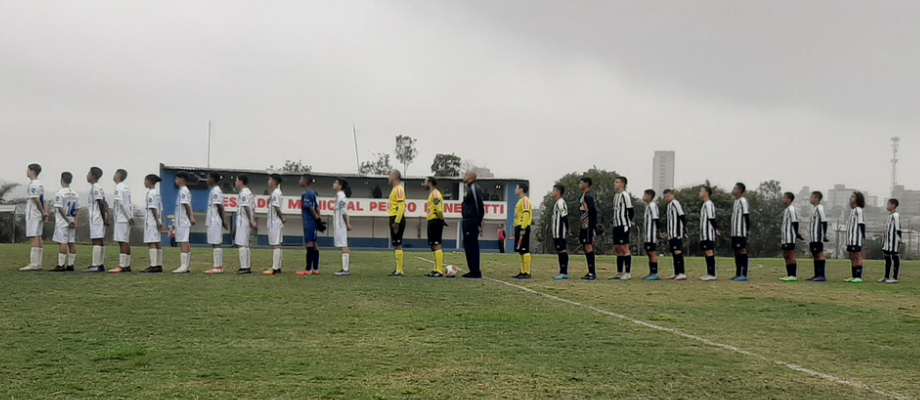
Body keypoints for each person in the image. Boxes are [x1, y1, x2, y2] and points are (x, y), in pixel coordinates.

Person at [50, 171, 79, 272]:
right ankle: (71, 265)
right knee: (71, 242)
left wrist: (67, 220)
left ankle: (61, 265)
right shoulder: (75, 194)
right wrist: (75, 221)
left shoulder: (60, 193)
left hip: (63, 222)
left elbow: (60, 208)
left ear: (62, 180)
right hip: (72, 220)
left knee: (63, 242)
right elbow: (79, 209)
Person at [20, 163, 47, 272]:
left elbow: (36, 200)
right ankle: (38, 262)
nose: (27, 172)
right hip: (39, 214)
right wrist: (45, 212)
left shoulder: (33, 185)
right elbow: (44, 200)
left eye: (28, 170)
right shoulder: (40, 185)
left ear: (32, 171)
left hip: (33, 214)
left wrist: (42, 211)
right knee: (38, 236)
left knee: (33, 236)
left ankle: (34, 263)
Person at [609, 177, 635, 280]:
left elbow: (630, 210)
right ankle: (619, 272)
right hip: (616, 224)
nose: (615, 184)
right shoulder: (616, 196)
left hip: (623, 225)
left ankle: (628, 273)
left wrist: (628, 222)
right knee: (618, 248)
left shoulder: (625, 195)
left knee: (625, 248)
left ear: (622, 184)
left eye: (617, 182)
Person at [461, 171, 486, 279]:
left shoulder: (475, 188)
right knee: (468, 245)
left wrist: (479, 219)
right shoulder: (469, 188)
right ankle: (472, 270)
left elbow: (479, 203)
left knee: (472, 245)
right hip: (467, 220)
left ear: (471, 177)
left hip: (472, 221)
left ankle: (475, 271)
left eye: (466, 175)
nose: (464, 176)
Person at [110, 169, 134, 274]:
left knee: (122, 241)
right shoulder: (126, 188)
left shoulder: (118, 188)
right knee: (125, 240)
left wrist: (128, 216)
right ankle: (127, 265)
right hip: (126, 217)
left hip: (122, 217)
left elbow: (121, 203)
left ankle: (122, 265)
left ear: (118, 176)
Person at [85, 167, 109, 273]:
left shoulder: (95, 187)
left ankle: (95, 264)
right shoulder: (99, 188)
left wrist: (104, 218)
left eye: (89, 174)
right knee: (100, 240)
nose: (87, 176)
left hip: (97, 217)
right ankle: (100, 264)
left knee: (96, 240)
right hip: (99, 217)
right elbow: (105, 203)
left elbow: (100, 203)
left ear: (93, 176)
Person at [297, 174, 321, 276]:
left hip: (309, 221)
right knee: (314, 243)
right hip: (313, 221)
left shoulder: (307, 194)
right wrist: (318, 219)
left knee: (310, 243)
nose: (299, 181)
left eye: (301, 179)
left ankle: (308, 269)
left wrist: (316, 219)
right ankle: (315, 268)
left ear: (305, 181)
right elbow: (317, 208)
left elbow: (311, 208)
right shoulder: (312, 193)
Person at [661, 189, 688, 281]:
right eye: (665, 197)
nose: (666, 198)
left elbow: (681, 216)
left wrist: (684, 230)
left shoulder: (675, 203)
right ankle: (676, 272)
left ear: (672, 195)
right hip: (671, 233)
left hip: (677, 233)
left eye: (667, 196)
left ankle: (682, 273)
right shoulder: (668, 206)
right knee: (673, 253)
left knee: (678, 252)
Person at [205, 172, 229, 274]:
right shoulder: (213, 191)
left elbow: (220, 207)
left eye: (208, 178)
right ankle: (217, 266)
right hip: (212, 220)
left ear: (213, 179)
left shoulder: (216, 191)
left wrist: (223, 221)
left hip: (215, 220)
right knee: (214, 242)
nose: (207, 180)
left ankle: (218, 266)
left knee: (216, 242)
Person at [423, 177, 447, 278]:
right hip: (432, 220)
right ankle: (436, 269)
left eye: (425, 181)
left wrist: (441, 219)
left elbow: (439, 208)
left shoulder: (436, 193)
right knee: (433, 245)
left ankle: (439, 271)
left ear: (430, 183)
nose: (424, 183)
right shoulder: (432, 193)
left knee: (437, 245)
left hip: (436, 220)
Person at [172, 171, 195, 274]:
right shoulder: (184, 191)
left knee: (183, 241)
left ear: (182, 179)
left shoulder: (183, 191)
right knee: (185, 241)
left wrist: (191, 217)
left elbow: (186, 205)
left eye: (177, 178)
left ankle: (184, 266)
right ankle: (187, 265)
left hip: (183, 220)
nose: (175, 181)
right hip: (182, 219)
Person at [141, 174, 164, 274]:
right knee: (157, 242)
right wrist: (161, 221)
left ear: (149, 182)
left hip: (151, 220)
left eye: (145, 181)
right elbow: (161, 209)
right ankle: (159, 264)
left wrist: (156, 221)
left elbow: (153, 208)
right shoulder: (157, 194)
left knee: (151, 242)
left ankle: (153, 265)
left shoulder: (150, 193)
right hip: (158, 219)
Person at [234, 174, 257, 275]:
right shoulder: (248, 192)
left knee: (241, 243)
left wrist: (251, 219)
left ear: (241, 181)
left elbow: (246, 207)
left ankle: (244, 267)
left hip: (243, 221)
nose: (236, 183)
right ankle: (247, 266)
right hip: (245, 221)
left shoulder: (244, 193)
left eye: (236, 180)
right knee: (245, 244)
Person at [264, 174, 286, 275]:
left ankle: (275, 268)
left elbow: (277, 208)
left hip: (275, 222)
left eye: (270, 180)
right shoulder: (275, 193)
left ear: (274, 181)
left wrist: (282, 219)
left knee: (275, 245)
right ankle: (278, 267)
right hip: (275, 222)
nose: (268, 181)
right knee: (277, 244)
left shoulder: (276, 193)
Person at [779, 192, 803, 282]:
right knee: (786, 254)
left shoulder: (792, 209)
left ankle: (793, 275)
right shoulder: (786, 209)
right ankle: (789, 274)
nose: (783, 199)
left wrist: (796, 233)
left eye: (784, 198)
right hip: (785, 237)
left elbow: (795, 222)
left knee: (790, 254)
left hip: (790, 236)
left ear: (789, 199)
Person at [387, 170, 408, 277]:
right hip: (393, 217)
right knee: (396, 244)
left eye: (390, 175)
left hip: (397, 218)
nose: (389, 177)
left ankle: (399, 271)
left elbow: (401, 206)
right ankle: (398, 269)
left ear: (395, 177)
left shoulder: (399, 189)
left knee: (398, 244)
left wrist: (396, 222)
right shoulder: (395, 189)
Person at [730, 183, 751, 281]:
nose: (733, 190)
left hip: (740, 231)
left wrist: (748, 229)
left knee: (742, 250)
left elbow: (746, 215)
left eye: (735, 188)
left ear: (740, 190)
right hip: (734, 232)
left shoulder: (743, 201)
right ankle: (738, 273)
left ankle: (744, 274)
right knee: (736, 251)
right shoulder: (736, 202)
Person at [806, 191, 829, 282]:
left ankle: (821, 275)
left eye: (812, 197)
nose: (810, 199)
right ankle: (816, 274)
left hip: (817, 236)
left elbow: (824, 221)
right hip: (812, 237)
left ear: (816, 198)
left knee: (819, 254)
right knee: (815, 255)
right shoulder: (814, 209)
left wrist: (824, 234)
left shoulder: (820, 208)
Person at [578, 177, 598, 281]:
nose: (579, 185)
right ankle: (590, 271)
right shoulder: (584, 196)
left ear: (586, 184)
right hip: (584, 225)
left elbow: (592, 210)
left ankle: (592, 272)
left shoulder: (588, 196)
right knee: (585, 247)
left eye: (581, 183)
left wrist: (592, 225)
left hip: (588, 225)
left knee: (589, 246)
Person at [844, 191, 867, 283]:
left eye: (853, 196)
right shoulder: (852, 211)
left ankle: (859, 276)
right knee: (852, 256)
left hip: (856, 238)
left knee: (858, 255)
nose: (851, 198)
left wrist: (863, 236)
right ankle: (853, 276)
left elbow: (861, 224)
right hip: (850, 238)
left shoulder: (858, 210)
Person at [512, 184, 533, 280]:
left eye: (516, 188)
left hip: (522, 226)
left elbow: (526, 214)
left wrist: (523, 228)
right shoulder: (520, 201)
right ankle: (522, 271)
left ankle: (527, 272)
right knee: (520, 250)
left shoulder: (525, 200)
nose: (515, 190)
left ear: (521, 189)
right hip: (518, 226)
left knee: (525, 249)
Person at [699, 186, 720, 281]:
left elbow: (712, 218)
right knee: (707, 252)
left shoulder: (709, 204)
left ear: (707, 192)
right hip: (703, 233)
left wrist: (715, 229)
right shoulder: (704, 204)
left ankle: (712, 274)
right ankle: (709, 273)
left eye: (702, 191)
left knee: (709, 251)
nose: (700, 192)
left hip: (708, 233)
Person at [333, 179, 353, 277]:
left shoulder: (341, 196)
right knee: (342, 244)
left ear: (340, 186)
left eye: (336, 183)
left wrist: (347, 223)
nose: (334, 184)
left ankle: (346, 270)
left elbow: (344, 211)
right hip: (339, 223)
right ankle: (344, 268)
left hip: (341, 224)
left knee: (344, 244)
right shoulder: (338, 196)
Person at [551, 184, 571, 280]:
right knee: (560, 251)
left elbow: (564, 216)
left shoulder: (561, 203)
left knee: (562, 251)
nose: (552, 192)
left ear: (558, 192)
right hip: (556, 232)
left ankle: (564, 272)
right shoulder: (557, 203)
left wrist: (568, 229)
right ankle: (562, 271)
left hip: (560, 232)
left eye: (554, 190)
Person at [880, 198, 902, 284]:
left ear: (893, 205)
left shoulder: (896, 215)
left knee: (895, 257)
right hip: (887, 242)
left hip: (893, 241)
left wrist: (899, 239)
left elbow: (898, 228)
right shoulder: (890, 216)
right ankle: (886, 276)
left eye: (888, 204)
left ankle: (895, 277)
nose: (887, 206)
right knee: (887, 258)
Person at [641, 189, 661, 281]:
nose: (643, 197)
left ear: (649, 196)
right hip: (647, 235)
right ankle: (651, 272)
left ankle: (655, 273)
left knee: (652, 252)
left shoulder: (652, 205)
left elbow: (656, 219)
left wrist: (658, 232)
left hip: (651, 234)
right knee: (649, 253)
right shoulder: (648, 206)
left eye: (645, 195)